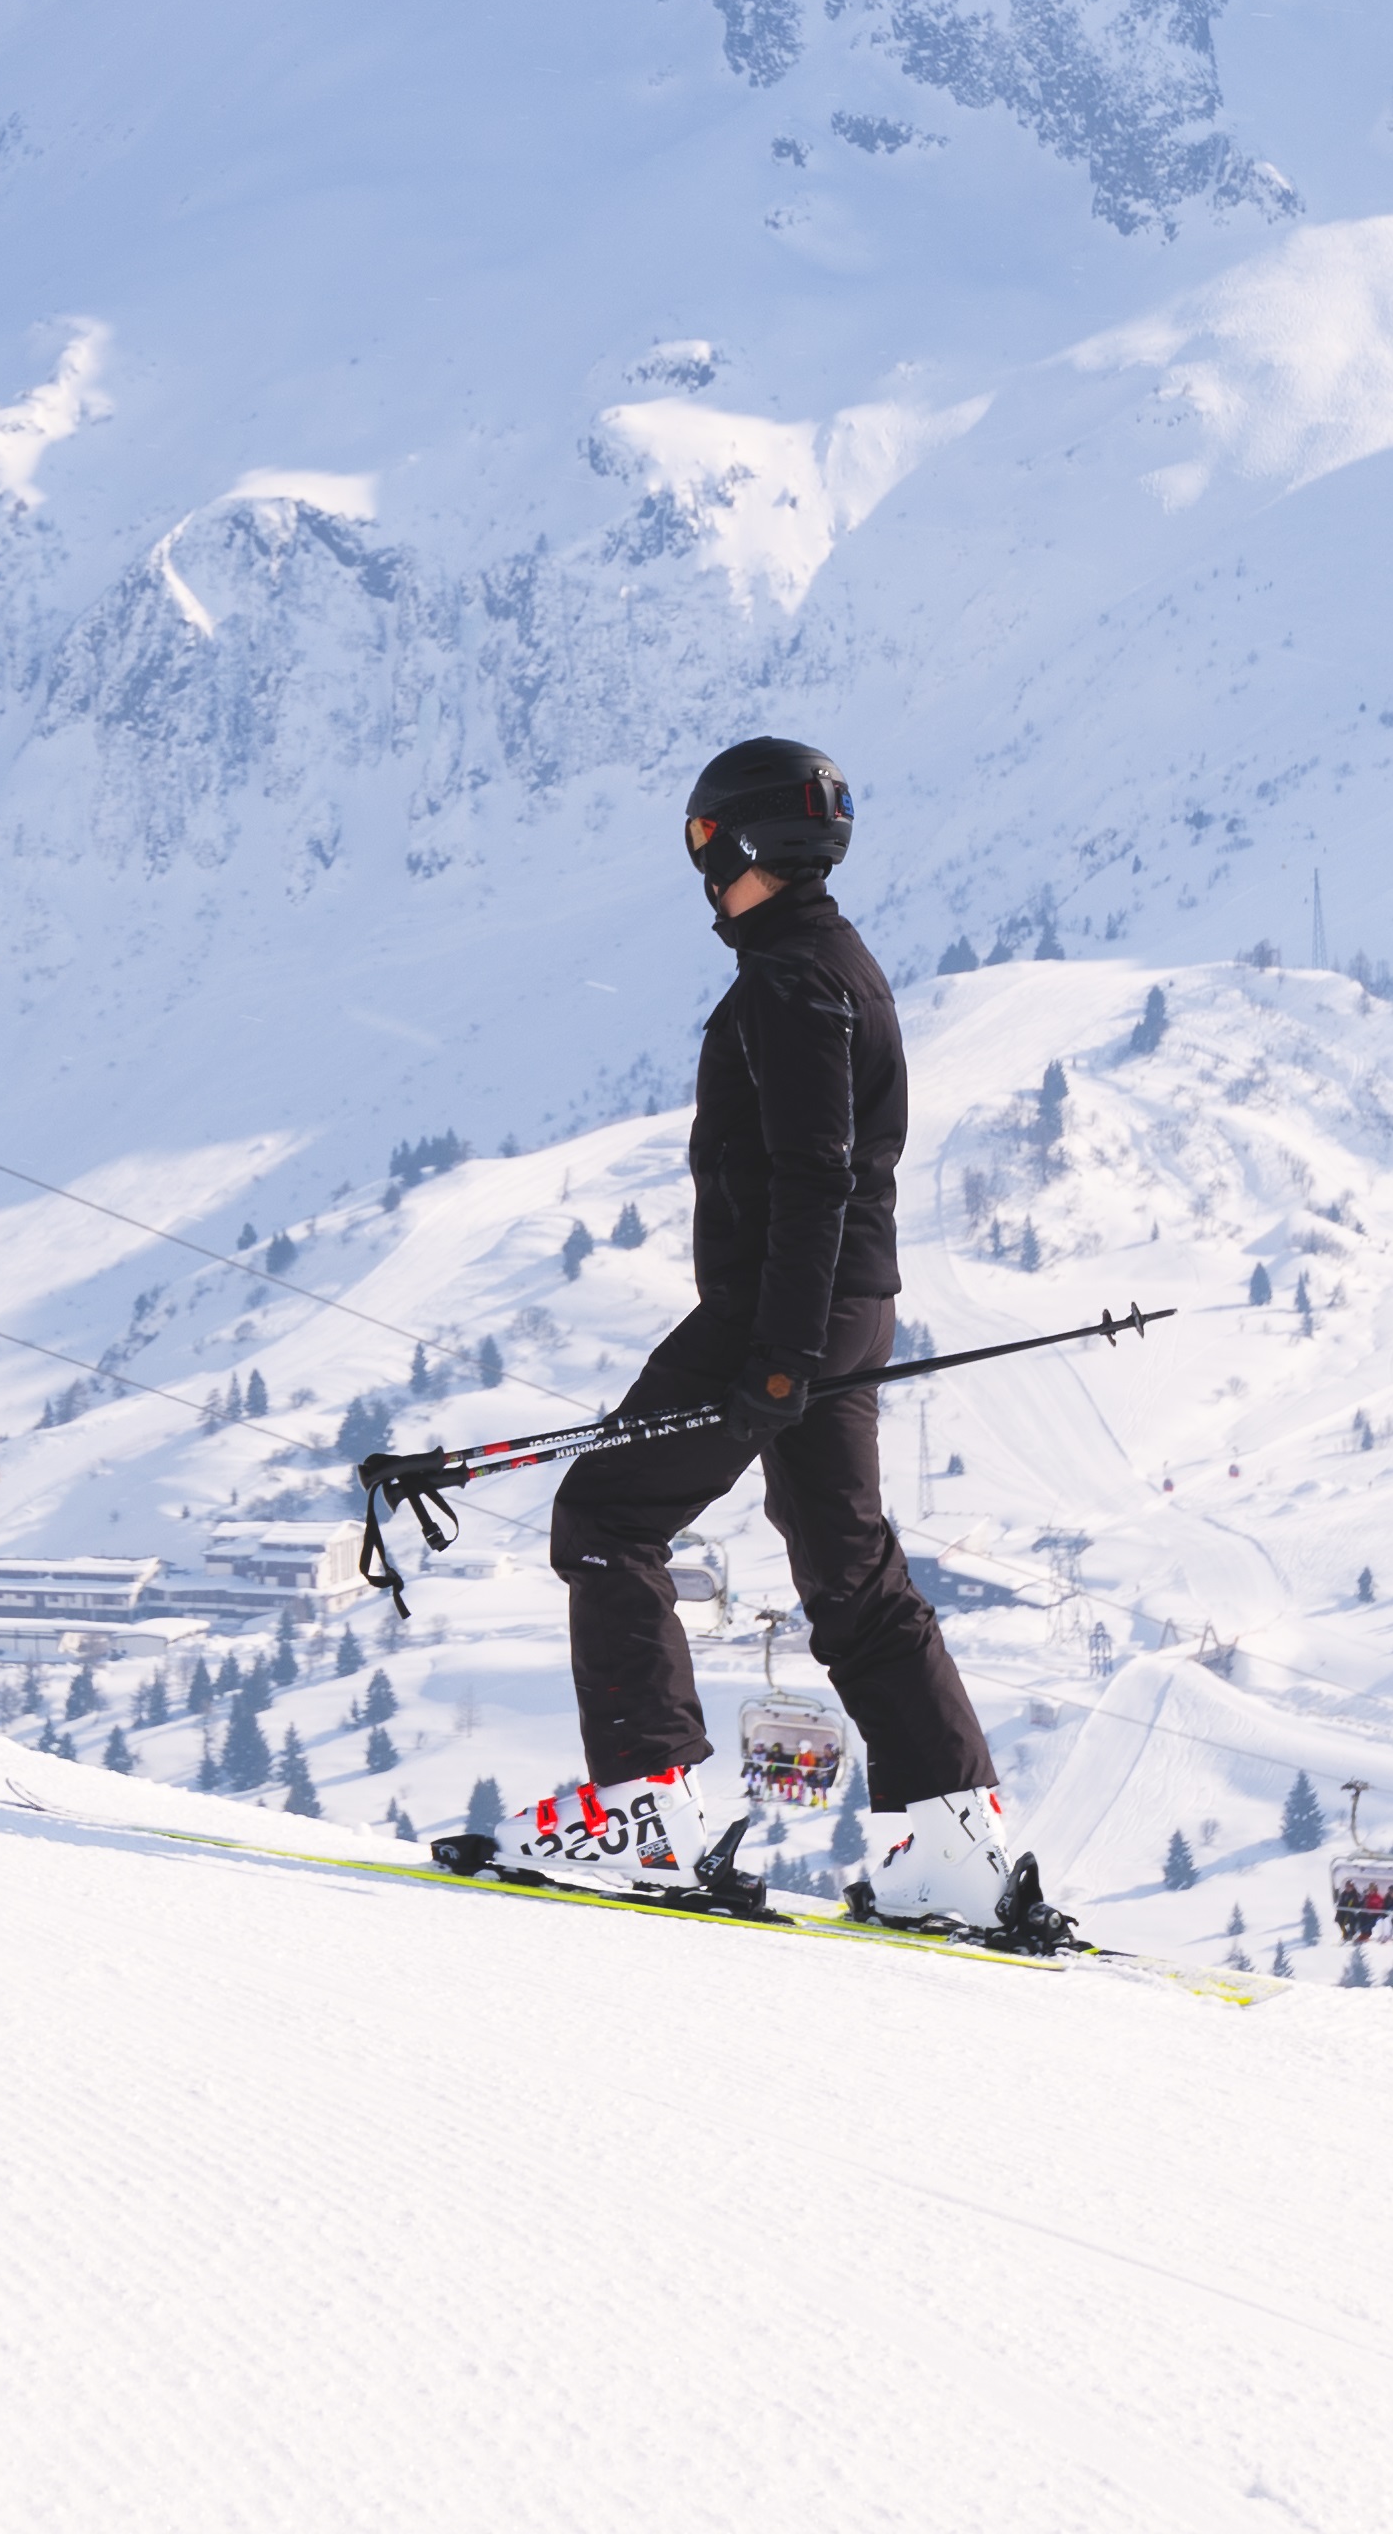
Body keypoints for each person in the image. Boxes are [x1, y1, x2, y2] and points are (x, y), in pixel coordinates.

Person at [467, 736, 1064, 1944]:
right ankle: (950, 1838)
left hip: (778, 1310)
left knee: (608, 1512)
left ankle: (645, 1805)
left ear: (737, 843)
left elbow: (813, 1175)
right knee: (847, 1566)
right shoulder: (838, 962)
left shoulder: (788, 980)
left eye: (699, 842)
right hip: (844, 1301)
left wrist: (778, 1353)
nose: (697, 869)